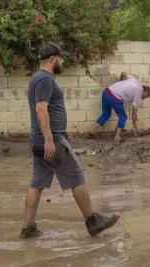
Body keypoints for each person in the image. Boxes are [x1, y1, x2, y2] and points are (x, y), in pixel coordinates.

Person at [22, 43, 119, 239]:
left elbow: (46, 110)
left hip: (42, 138)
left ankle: (28, 228)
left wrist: (59, 129)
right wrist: (50, 138)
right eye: (61, 58)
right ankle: (92, 221)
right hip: (50, 141)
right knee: (77, 175)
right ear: (52, 59)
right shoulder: (45, 79)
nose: (63, 61)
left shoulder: (37, 78)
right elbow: (41, 108)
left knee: (37, 183)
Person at [91, 72, 150, 142]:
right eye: (145, 97)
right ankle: (117, 137)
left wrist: (121, 81)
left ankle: (92, 130)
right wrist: (134, 126)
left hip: (106, 92)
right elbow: (134, 112)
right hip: (115, 96)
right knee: (123, 117)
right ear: (145, 92)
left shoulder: (134, 80)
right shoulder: (138, 93)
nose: (144, 98)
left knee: (106, 114)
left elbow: (124, 73)